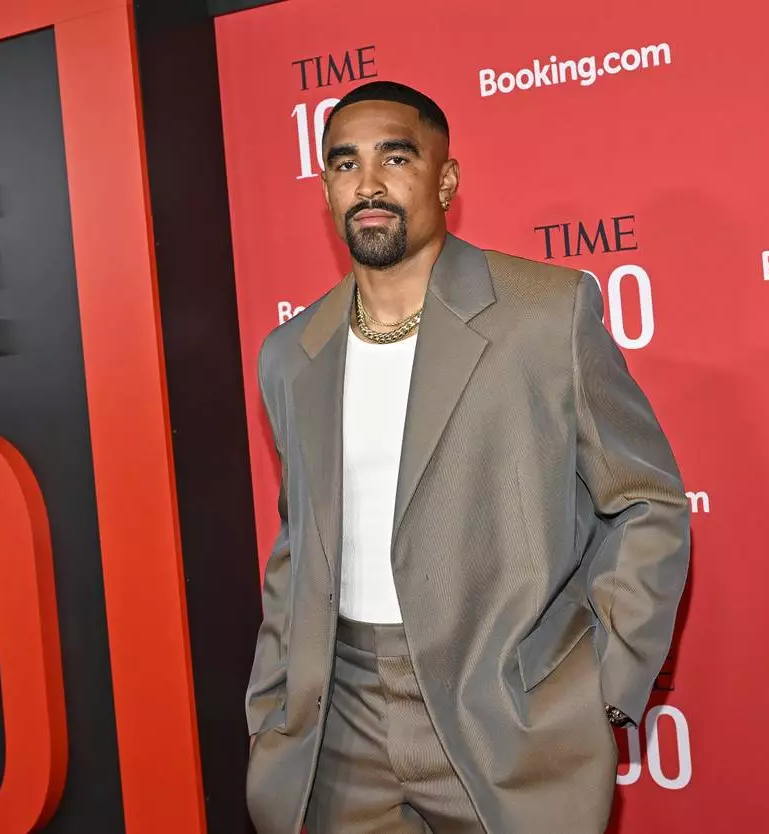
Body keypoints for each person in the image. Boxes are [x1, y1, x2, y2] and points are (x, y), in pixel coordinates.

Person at [244, 79, 690, 834]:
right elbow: (298, 546)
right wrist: (272, 704)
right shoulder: (291, 354)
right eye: (346, 163)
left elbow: (645, 500)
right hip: (337, 725)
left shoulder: (545, 314)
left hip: (506, 715)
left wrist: (603, 686)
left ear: (445, 180)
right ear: (325, 189)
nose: (369, 184)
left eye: (396, 158)